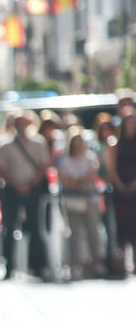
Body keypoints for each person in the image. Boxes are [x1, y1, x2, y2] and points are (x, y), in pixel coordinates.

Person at [0, 110, 51, 278]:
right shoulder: (5, 145)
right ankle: (9, 266)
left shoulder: (39, 143)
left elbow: (44, 166)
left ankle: (38, 265)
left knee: (35, 226)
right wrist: (16, 184)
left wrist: (30, 184)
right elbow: (1, 168)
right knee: (9, 227)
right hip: (12, 190)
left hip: (33, 189)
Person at [57, 127, 103, 279]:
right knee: (74, 234)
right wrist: (79, 182)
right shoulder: (65, 160)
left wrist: (77, 181)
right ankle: (74, 265)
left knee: (93, 232)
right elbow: (66, 181)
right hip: (72, 200)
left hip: (90, 199)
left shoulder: (90, 157)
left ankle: (96, 264)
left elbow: (92, 176)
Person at [107, 110, 136, 276]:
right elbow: (111, 168)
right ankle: (122, 265)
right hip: (120, 190)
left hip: (135, 189)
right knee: (122, 227)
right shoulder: (115, 143)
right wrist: (120, 185)